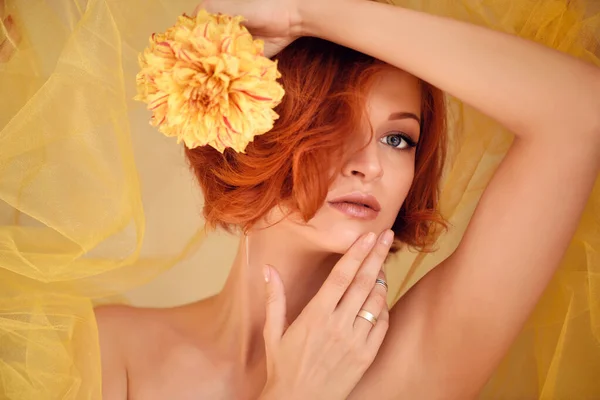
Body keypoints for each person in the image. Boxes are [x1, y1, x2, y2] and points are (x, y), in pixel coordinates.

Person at [92, 0, 600, 399]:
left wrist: (301, 13)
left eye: (397, 138)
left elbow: (581, 111)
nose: (371, 165)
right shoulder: (106, 349)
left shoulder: (421, 361)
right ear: (252, 133)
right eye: (334, 126)